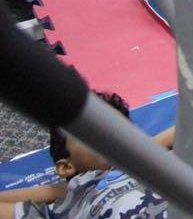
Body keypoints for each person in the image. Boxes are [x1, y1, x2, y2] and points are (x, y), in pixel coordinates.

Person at [0, 91, 172, 218]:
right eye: (92, 130)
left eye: (119, 128)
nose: (111, 133)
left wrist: (140, 154)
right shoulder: (70, 207)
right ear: (66, 166)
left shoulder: (161, 164)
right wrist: (68, 189)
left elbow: (184, 130)